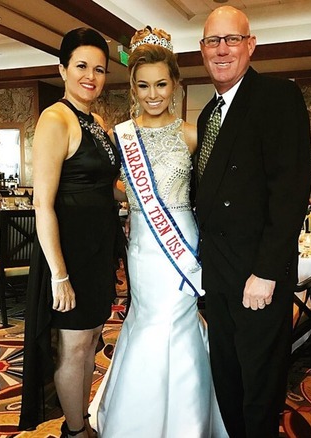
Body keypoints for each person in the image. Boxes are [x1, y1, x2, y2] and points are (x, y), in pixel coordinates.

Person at [88, 26, 228, 438]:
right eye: (144, 85)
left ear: (175, 84)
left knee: (178, 323)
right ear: (133, 86)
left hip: (182, 244)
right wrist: (129, 203)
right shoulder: (121, 136)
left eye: (161, 85)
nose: (153, 95)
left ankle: (187, 421)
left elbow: (212, 192)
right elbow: (109, 185)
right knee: (146, 321)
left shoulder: (191, 135)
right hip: (143, 248)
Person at [192, 6, 311, 437]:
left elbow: (290, 193)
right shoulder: (208, 115)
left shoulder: (278, 97)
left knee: (259, 383)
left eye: (232, 39)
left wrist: (265, 272)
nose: (221, 50)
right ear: (202, 50)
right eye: (212, 41)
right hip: (219, 273)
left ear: (251, 45)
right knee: (226, 373)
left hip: (257, 275)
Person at [17, 27, 121, 438]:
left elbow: (104, 185)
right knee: (73, 346)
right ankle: (75, 431)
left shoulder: (96, 119)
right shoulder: (54, 118)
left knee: (92, 338)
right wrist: (59, 274)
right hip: (70, 253)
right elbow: (43, 202)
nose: (90, 76)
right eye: (81, 66)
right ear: (62, 68)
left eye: (99, 69)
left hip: (97, 251)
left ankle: (80, 421)